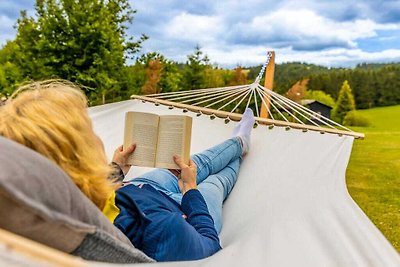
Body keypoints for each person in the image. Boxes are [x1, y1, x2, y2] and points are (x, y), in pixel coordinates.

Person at [0, 80, 255, 261]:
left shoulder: (56, 199)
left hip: (137, 192)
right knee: (216, 182)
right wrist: (190, 191)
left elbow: (83, 192)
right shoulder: (162, 232)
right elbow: (210, 246)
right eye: (90, 133)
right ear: (80, 159)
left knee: (197, 162)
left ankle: (239, 142)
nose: (98, 138)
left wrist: (117, 169)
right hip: (181, 213)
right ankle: (241, 151)